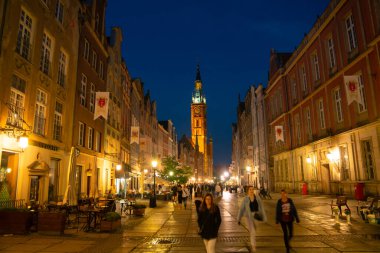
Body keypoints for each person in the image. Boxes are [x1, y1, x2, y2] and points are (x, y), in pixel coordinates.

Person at [237, 185, 267, 252]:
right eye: (250, 189)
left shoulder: (257, 198)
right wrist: (238, 218)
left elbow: (261, 208)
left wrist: (264, 217)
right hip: (248, 217)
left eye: (252, 189)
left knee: (254, 230)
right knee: (252, 232)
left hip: (256, 217)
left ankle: (253, 243)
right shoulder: (245, 199)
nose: (251, 191)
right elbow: (241, 209)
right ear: (247, 191)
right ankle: (253, 246)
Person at [276, 189, 300, 253]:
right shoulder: (279, 201)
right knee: (285, 234)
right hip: (282, 220)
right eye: (281, 194)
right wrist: (277, 220)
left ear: (286, 194)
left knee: (291, 234)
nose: (283, 195)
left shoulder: (290, 200)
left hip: (290, 219)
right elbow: (277, 211)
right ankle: (287, 247)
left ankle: (287, 242)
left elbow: (294, 209)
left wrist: (297, 217)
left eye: (284, 194)